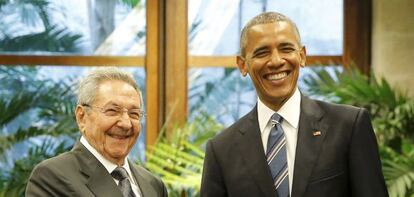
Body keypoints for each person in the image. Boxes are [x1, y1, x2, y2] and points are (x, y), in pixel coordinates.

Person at [200, 12, 388, 197]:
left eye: (286, 49)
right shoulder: (221, 150)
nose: (276, 61)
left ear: (302, 56)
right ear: (242, 65)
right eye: (262, 52)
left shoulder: (348, 127)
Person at [26, 67, 167, 197]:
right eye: (112, 111)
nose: (126, 123)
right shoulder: (52, 177)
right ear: (82, 117)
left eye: (134, 113)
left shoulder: (153, 184)